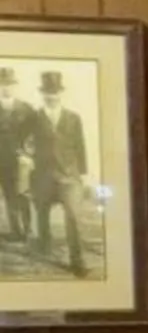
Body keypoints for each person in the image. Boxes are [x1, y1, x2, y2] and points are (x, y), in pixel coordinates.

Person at [28, 71, 88, 278]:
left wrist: (82, 174)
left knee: (73, 217)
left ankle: (77, 260)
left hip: (68, 177)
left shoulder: (73, 118)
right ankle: (44, 245)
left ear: (61, 93)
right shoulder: (34, 117)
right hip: (42, 177)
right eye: (47, 92)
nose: (51, 96)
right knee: (41, 214)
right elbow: (25, 142)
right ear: (42, 94)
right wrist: (25, 156)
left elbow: (80, 146)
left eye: (54, 92)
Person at [0, 69, 33, 247]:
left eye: (10, 84)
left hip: (20, 161)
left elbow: (35, 135)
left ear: (16, 86)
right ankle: (15, 231)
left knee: (22, 195)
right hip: (1, 160)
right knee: (8, 195)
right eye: (3, 84)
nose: (7, 88)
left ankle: (28, 231)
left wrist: (27, 154)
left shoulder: (26, 109)